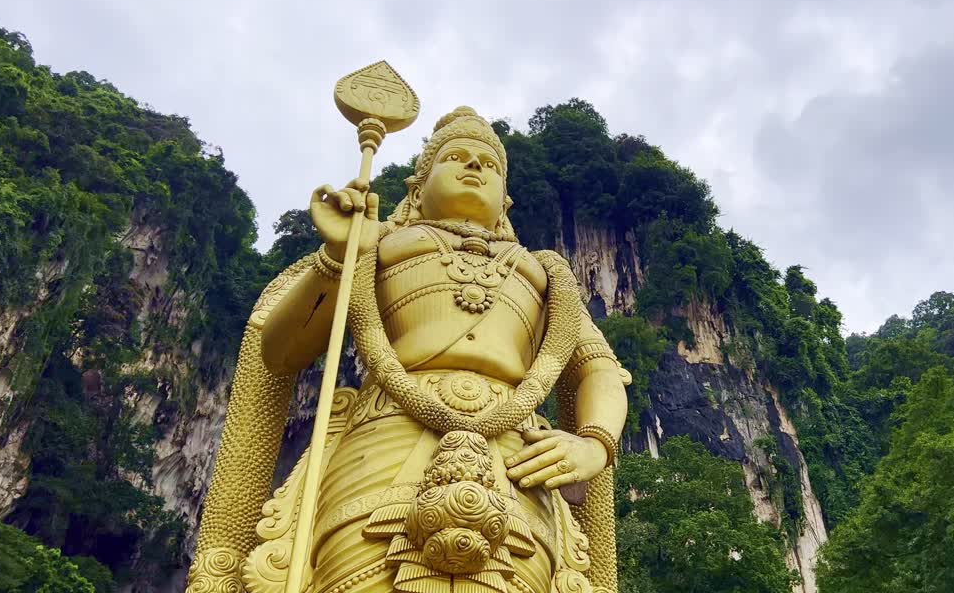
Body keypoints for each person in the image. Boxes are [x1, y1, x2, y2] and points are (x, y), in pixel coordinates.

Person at [186, 107, 630, 593]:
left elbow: (597, 369)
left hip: (514, 456)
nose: (474, 166)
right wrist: (338, 255)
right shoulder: (376, 245)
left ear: (506, 200)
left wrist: (594, 442)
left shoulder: (542, 273)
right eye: (455, 157)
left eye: (490, 164)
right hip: (385, 439)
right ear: (418, 188)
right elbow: (280, 351)